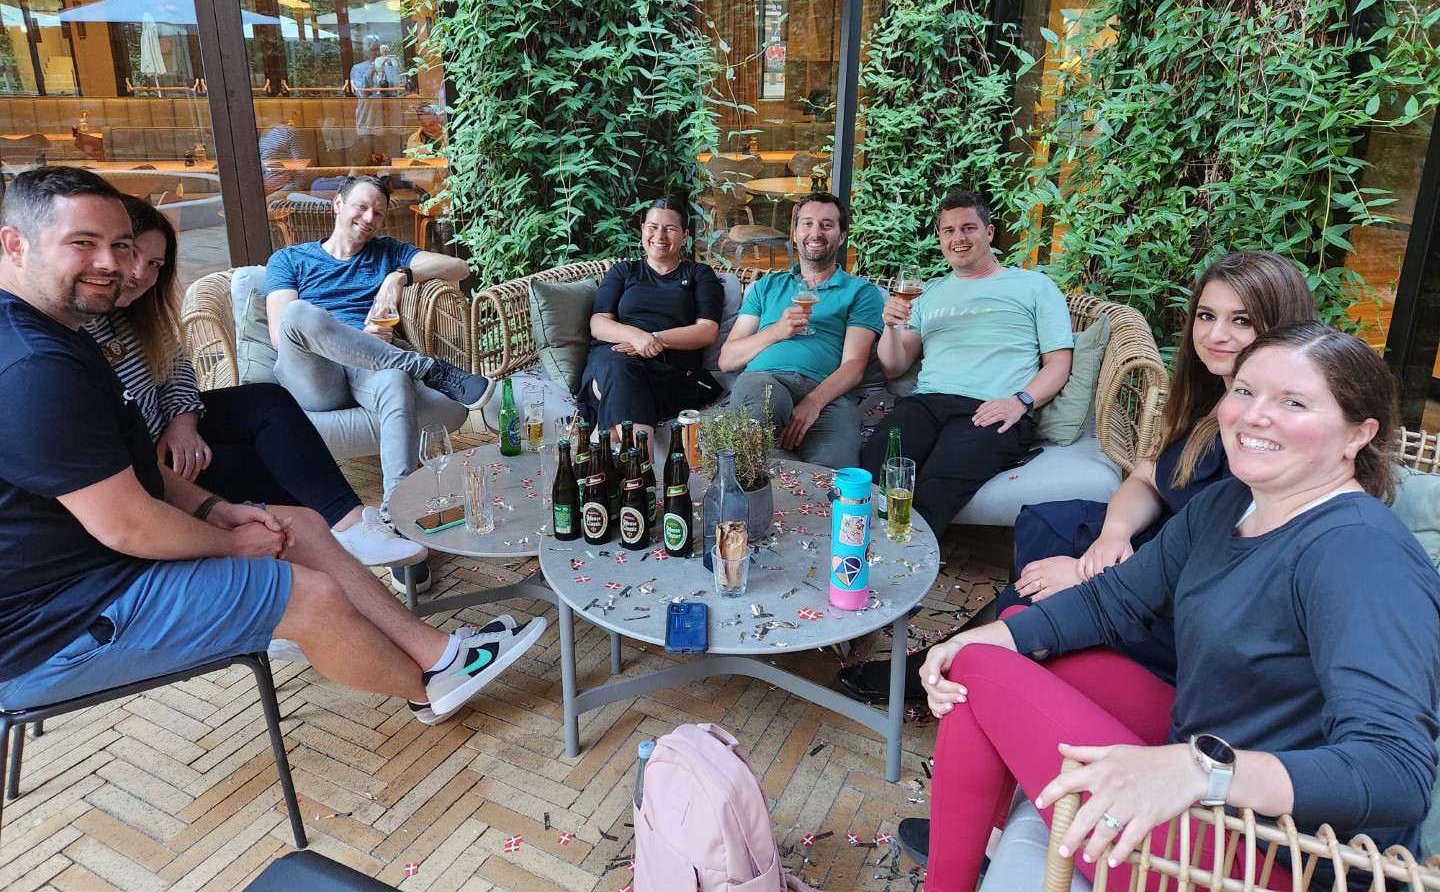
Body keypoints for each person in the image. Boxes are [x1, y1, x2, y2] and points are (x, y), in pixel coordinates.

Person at [0, 167, 546, 726]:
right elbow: (129, 525)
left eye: (122, 247)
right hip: (59, 621)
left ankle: (440, 653)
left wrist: (220, 509)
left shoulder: (62, 334)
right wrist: (234, 545)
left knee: (303, 524)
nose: (117, 267)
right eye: (83, 244)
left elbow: (136, 469)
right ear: (15, 244)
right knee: (312, 596)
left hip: (95, 565)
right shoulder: (35, 367)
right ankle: (431, 690)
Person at [916, 320, 1440, 890]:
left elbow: (1397, 772)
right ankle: (976, 851)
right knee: (1008, 639)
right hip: (1209, 771)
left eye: (1293, 402)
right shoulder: (1230, 501)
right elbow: (1115, 599)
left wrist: (1204, 771)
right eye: (1244, 390)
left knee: (984, 668)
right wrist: (980, 636)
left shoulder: (1361, 554)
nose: (1254, 415)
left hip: (1282, 857)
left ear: (1357, 435)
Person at [839, 250, 1319, 705]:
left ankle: (959, 664)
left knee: (1048, 569)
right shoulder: (1213, 397)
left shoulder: (1266, 432)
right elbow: (1150, 475)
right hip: (1155, 544)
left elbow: (1228, 559)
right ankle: (983, 655)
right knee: (1049, 533)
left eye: (1242, 320)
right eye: (1207, 316)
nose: (1217, 335)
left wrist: (1095, 576)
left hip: (1190, 596)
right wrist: (1114, 533)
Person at [84, 194, 424, 570]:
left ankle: (353, 526)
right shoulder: (77, 325)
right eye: (132, 255)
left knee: (267, 401)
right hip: (140, 461)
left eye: (154, 264)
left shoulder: (136, 313)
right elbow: (283, 333)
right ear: (337, 204)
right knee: (276, 476)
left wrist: (183, 421)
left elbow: (177, 363)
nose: (141, 274)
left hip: (170, 427)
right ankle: (318, 558)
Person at [264, 173, 490, 509]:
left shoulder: (387, 252)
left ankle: (398, 510)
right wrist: (354, 337)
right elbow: (281, 336)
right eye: (362, 207)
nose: (370, 219)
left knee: (395, 380)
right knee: (299, 313)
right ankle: (426, 368)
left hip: (368, 366)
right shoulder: (290, 259)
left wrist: (401, 276)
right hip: (314, 374)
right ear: (338, 205)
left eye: (379, 212)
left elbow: (460, 267)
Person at [859, 190, 1074, 537]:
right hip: (925, 403)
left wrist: (1020, 402)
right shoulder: (929, 292)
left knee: (933, 490)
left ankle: (901, 567)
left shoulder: (1033, 286)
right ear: (940, 239)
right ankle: (861, 554)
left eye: (968, 228)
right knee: (877, 471)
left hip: (991, 408)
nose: (958, 238)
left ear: (989, 232)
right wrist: (890, 327)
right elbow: (894, 367)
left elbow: (1059, 362)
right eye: (948, 230)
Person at [716, 192, 883, 469]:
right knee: (761, 418)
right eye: (807, 224)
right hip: (765, 379)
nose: (815, 233)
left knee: (836, 473)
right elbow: (727, 359)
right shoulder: (766, 287)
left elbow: (854, 365)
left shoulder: (861, 292)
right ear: (795, 234)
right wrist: (777, 331)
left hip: (827, 393)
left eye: (827, 225)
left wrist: (813, 402)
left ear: (841, 236)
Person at [580, 199, 724, 440]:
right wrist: (637, 338)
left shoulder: (699, 274)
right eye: (653, 227)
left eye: (670, 229)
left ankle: (593, 459)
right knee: (620, 367)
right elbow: (598, 323)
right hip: (614, 354)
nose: (660, 235)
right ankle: (643, 471)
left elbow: (707, 331)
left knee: (618, 385)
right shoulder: (624, 272)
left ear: (685, 235)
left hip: (670, 370)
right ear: (643, 229)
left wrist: (655, 340)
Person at [349, 35, 397, 162]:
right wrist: (371, 70)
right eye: (373, 49)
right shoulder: (358, 68)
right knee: (369, 160)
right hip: (368, 121)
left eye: (378, 49)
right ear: (366, 51)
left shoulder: (389, 66)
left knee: (389, 160)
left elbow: (394, 90)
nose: (376, 53)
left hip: (388, 121)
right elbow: (361, 94)